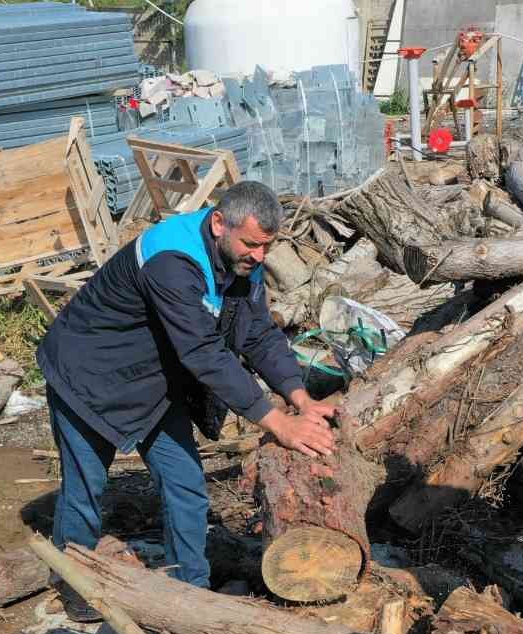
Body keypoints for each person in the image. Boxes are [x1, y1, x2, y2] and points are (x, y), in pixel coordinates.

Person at [37, 180, 334, 606]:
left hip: (154, 381)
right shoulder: (171, 259)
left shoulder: (242, 264)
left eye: (266, 247)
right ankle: (75, 588)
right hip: (88, 374)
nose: (259, 256)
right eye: (251, 244)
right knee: (86, 489)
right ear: (218, 224)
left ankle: (190, 596)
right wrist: (276, 423)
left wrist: (300, 398)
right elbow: (203, 352)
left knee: (186, 486)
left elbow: (260, 336)